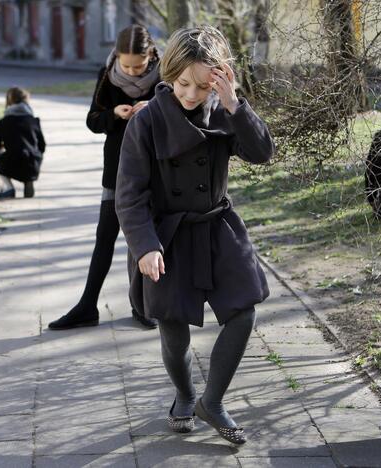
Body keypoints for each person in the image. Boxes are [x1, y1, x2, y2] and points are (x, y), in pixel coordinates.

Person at [114, 26, 275, 444]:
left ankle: (213, 401)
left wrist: (235, 104)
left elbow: (262, 154)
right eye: (183, 83)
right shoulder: (147, 121)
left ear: (218, 78)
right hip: (166, 236)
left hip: (218, 227)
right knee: (173, 327)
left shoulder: (225, 110)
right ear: (169, 73)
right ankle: (185, 395)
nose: (190, 93)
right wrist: (145, 246)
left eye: (202, 85)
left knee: (244, 310)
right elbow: (129, 195)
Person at [48, 25, 161, 330]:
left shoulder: (166, 75)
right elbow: (92, 121)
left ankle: (143, 306)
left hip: (158, 170)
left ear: (151, 55)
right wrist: (114, 114)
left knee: (147, 239)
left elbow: (182, 111)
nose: (133, 70)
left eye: (138, 65)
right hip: (118, 169)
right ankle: (87, 306)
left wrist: (153, 107)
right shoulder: (108, 75)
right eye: (127, 65)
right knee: (105, 237)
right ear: (117, 58)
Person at [0, 87, 46, 200]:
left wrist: (3, 147)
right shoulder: (34, 121)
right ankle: (28, 180)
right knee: (29, 155)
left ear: (10, 101)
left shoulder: (3, 123)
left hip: (12, 162)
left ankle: (9, 187)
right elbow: (42, 146)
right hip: (33, 163)